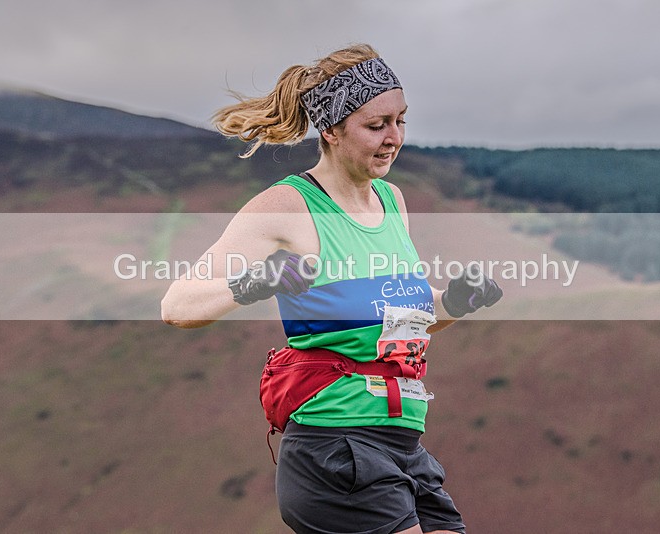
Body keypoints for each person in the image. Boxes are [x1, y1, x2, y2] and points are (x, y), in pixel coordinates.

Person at [161, 43, 502, 534]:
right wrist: (257, 281)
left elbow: (402, 319)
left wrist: (451, 302)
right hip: (333, 448)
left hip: (401, 446)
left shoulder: (392, 201)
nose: (395, 138)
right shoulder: (288, 205)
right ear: (331, 129)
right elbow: (177, 305)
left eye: (401, 120)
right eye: (376, 125)